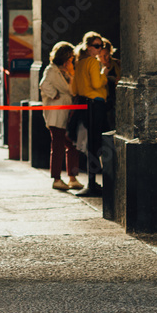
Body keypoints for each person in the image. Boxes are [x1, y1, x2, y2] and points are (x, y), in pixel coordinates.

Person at [39, 42, 82, 191]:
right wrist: (54, 94)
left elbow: (73, 90)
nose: (72, 61)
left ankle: (72, 177)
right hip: (56, 114)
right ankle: (57, 178)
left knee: (71, 145)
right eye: (70, 58)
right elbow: (44, 84)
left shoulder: (67, 71)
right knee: (58, 146)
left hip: (67, 113)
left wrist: (71, 74)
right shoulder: (51, 70)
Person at [73, 31, 109, 197]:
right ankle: (93, 182)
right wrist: (104, 76)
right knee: (97, 142)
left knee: (91, 143)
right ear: (88, 47)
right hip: (96, 103)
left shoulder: (79, 62)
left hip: (84, 103)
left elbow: (74, 88)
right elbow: (96, 83)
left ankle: (92, 181)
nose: (99, 49)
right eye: (96, 46)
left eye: (100, 46)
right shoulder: (93, 63)